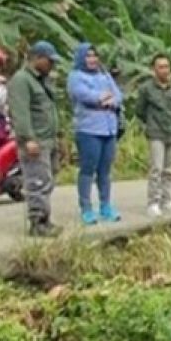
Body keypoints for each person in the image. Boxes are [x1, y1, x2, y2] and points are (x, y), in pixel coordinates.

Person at [8, 41, 62, 236]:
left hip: (48, 140)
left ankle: (45, 219)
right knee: (37, 181)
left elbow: (50, 109)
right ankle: (37, 222)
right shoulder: (22, 80)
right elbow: (20, 112)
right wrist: (28, 138)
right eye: (49, 61)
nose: (52, 66)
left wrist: (59, 137)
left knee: (47, 179)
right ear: (37, 58)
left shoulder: (42, 80)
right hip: (35, 141)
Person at [67, 43, 123, 225]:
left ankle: (105, 205)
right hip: (88, 129)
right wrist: (101, 97)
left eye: (94, 56)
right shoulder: (76, 76)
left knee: (105, 171)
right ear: (81, 58)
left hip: (109, 129)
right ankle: (86, 208)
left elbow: (118, 96)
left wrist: (107, 99)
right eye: (88, 56)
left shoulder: (105, 75)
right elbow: (84, 96)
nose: (92, 59)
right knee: (88, 169)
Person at [137, 54, 171, 217]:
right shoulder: (146, 89)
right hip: (156, 133)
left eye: (167, 66)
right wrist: (151, 124)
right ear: (154, 69)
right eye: (161, 67)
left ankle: (167, 200)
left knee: (169, 170)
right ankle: (153, 203)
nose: (164, 70)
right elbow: (140, 111)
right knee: (156, 169)